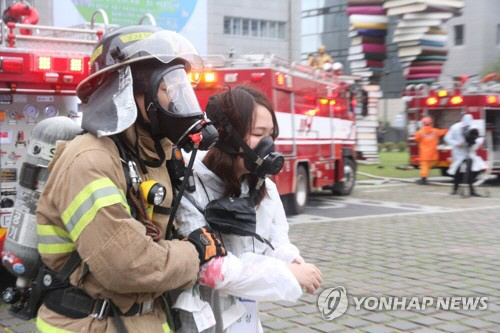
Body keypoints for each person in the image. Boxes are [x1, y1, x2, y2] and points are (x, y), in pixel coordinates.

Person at [35, 26, 226, 333]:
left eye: (182, 87)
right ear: (132, 92)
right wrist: (195, 252)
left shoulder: (149, 154)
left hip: (144, 319)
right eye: (170, 86)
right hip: (92, 322)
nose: (178, 97)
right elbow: (127, 266)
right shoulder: (90, 161)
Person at [173, 86, 323, 332]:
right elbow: (212, 270)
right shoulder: (189, 186)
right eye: (258, 133)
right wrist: (286, 274)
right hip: (201, 323)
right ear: (226, 135)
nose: (267, 143)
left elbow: (274, 241)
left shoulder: (265, 188)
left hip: (245, 322)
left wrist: (292, 260)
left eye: (271, 134)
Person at [444, 114, 487, 196]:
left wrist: (474, 144)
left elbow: (479, 138)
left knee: (471, 171)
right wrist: (456, 144)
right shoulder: (455, 127)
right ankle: (455, 189)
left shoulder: (474, 127)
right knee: (457, 170)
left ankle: (472, 190)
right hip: (458, 152)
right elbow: (447, 138)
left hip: (470, 151)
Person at [414, 116, 448, 184]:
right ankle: (424, 178)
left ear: (423, 124)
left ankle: (423, 179)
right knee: (427, 167)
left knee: (424, 167)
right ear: (431, 123)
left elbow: (416, 139)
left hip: (424, 154)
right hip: (433, 154)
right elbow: (444, 132)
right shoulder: (435, 131)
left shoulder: (419, 133)